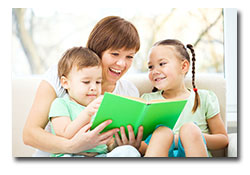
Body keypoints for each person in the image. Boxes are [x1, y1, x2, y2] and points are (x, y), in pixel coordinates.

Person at [23, 16, 143, 157]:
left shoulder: (129, 91)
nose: (122, 64)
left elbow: (109, 144)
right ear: (98, 51)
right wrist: (72, 146)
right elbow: (29, 134)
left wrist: (125, 144)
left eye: (129, 57)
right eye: (115, 54)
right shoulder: (64, 74)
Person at [140, 39, 228, 157]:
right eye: (150, 67)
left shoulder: (204, 97)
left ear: (184, 66)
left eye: (162, 64)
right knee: (163, 133)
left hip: (193, 151)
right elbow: (142, 146)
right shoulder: (147, 100)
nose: (155, 71)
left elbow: (223, 140)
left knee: (190, 130)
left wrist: (189, 137)